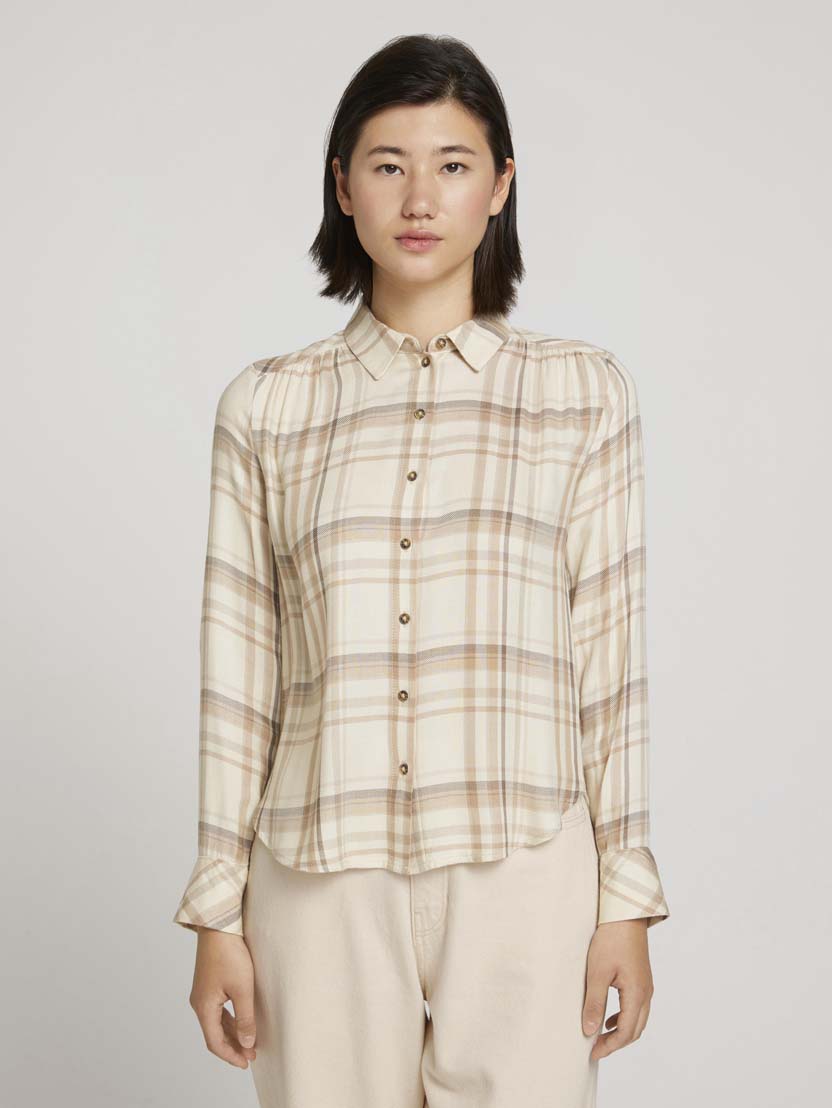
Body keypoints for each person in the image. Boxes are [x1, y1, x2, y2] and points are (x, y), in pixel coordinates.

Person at [172, 32, 670, 1108]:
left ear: (500, 186)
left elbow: (611, 658)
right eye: (387, 163)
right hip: (320, 873)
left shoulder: (581, 394)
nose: (418, 197)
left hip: (524, 864)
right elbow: (238, 677)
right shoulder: (268, 407)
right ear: (342, 185)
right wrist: (217, 911)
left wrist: (624, 896)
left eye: (452, 164)